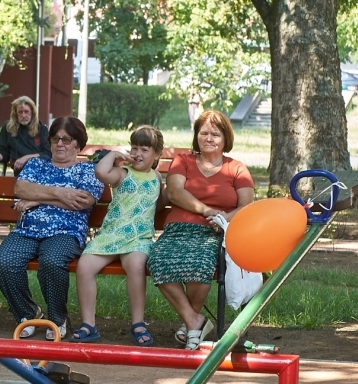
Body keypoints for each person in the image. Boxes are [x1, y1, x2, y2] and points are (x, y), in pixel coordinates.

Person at [147, 109, 254, 350]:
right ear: (196, 136)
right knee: (158, 260)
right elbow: (175, 192)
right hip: (177, 229)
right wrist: (207, 211)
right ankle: (194, 321)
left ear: (225, 138)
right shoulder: (182, 161)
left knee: (201, 265)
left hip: (214, 233)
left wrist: (224, 218)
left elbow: (247, 206)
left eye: (215, 134)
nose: (209, 138)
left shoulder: (237, 168)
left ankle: (191, 324)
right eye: (204, 133)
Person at [0, 116, 103, 339]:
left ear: (78, 144)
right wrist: (60, 192)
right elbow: (21, 189)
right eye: (55, 139)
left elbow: (83, 201)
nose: (60, 144)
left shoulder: (89, 170)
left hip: (66, 231)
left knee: (51, 261)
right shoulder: (36, 164)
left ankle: (57, 319)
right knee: (4, 262)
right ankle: (28, 313)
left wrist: (37, 198)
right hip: (28, 230)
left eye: (66, 139)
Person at [73, 126, 166, 346]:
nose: (138, 153)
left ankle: (138, 323)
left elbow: (159, 203)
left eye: (144, 149)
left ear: (157, 155)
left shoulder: (156, 177)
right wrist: (114, 155)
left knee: (136, 265)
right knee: (84, 266)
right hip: (112, 235)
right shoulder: (122, 173)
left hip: (138, 238)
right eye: (134, 148)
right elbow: (100, 172)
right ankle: (88, 324)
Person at [0, 95, 50, 175]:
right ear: (15, 113)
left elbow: (47, 154)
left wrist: (26, 158)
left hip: (40, 171)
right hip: (20, 172)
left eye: (26, 112)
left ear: (32, 113)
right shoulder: (8, 128)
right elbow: (4, 153)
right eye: (20, 112)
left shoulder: (42, 129)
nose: (23, 115)